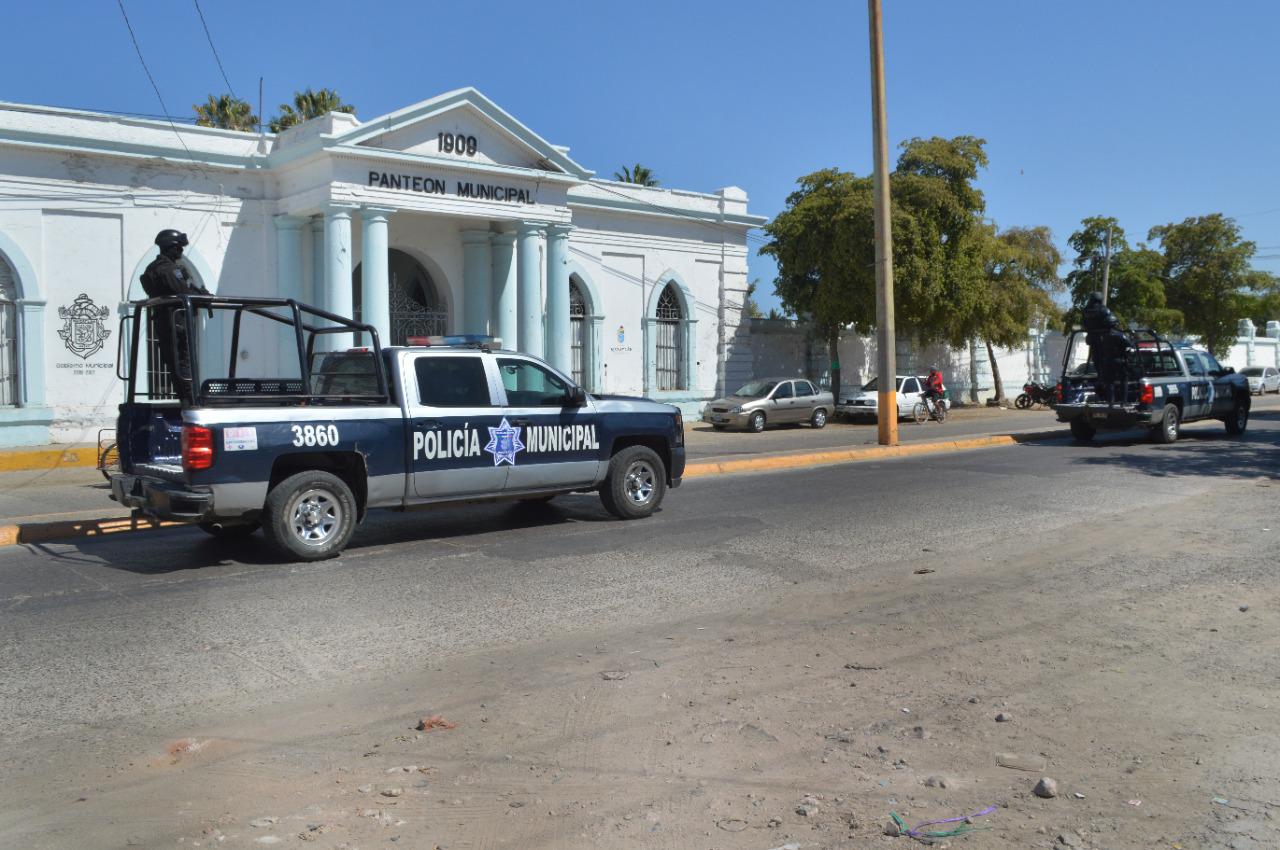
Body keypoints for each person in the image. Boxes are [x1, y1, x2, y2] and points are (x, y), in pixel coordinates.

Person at [139, 230, 208, 400]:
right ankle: (190, 401)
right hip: (176, 324)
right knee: (182, 364)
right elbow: (183, 291)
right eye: (178, 248)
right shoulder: (167, 269)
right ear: (170, 248)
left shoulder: (153, 269)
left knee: (175, 363)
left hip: (167, 323)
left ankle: (186, 398)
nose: (181, 252)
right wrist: (203, 296)